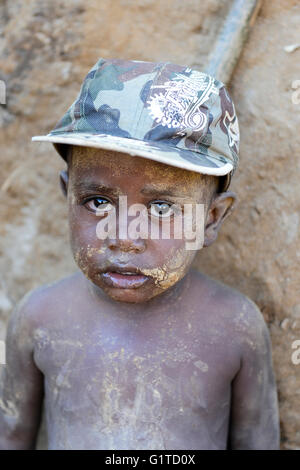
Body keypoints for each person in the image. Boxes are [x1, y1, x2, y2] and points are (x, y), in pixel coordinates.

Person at [0, 58, 280, 449]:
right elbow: (11, 434)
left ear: (211, 219)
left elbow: (257, 441)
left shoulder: (234, 327)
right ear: (68, 195)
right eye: (97, 201)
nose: (124, 238)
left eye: (162, 208)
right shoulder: (40, 318)